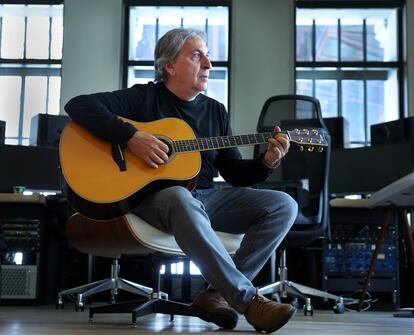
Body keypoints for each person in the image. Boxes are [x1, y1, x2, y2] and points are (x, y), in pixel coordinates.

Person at [65, 28, 298, 333]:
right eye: (197, 55)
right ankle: (248, 300)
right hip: (153, 200)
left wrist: (266, 162)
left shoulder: (215, 111)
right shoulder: (144, 97)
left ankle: (215, 295)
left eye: (208, 56)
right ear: (169, 66)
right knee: (179, 196)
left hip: (205, 198)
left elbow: (234, 173)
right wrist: (131, 137)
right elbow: (78, 105)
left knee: (283, 204)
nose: (209, 65)